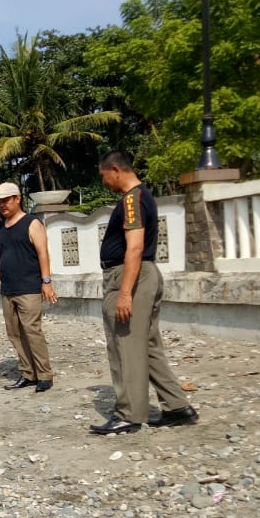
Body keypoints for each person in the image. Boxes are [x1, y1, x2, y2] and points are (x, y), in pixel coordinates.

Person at [90, 151, 199, 435]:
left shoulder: (131, 199)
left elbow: (134, 246)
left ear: (115, 169)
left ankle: (129, 414)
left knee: (125, 347)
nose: (105, 182)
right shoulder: (142, 197)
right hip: (144, 275)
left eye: (104, 176)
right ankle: (177, 407)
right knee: (147, 347)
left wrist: (125, 292)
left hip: (130, 277)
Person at [0, 182, 59, 393]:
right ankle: (28, 373)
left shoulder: (32, 223)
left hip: (29, 288)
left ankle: (44, 375)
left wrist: (46, 282)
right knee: (14, 333)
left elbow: (43, 253)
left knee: (32, 331)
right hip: (8, 289)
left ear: (17, 198)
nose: (2, 205)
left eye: (6, 200)